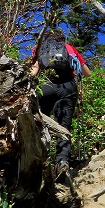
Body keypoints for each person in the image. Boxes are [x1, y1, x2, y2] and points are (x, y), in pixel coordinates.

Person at [30, 30, 91, 178]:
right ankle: (62, 162)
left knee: (39, 123)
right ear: (62, 39)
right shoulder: (69, 48)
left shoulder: (40, 47)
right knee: (63, 126)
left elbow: (34, 69)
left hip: (46, 86)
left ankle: (39, 162)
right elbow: (87, 72)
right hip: (68, 88)